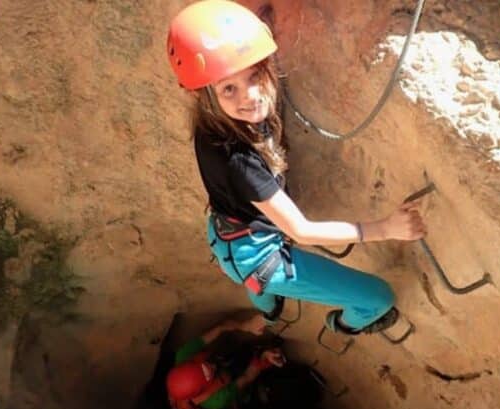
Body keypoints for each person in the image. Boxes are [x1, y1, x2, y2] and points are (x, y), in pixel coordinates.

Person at [166, 1, 426, 336]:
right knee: (377, 298)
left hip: (228, 237)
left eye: (255, 75)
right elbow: (301, 231)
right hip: (258, 258)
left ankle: (269, 310)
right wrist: (386, 228)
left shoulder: (213, 122)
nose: (253, 96)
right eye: (229, 89)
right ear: (207, 96)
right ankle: (342, 325)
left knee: (258, 285)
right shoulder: (239, 162)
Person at [166, 313, 285, 409]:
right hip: (228, 382)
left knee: (227, 357)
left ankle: (229, 356)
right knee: (240, 388)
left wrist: (245, 326)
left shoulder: (184, 355)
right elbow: (247, 376)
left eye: (205, 364)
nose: (212, 366)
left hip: (221, 364)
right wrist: (263, 357)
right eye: (209, 372)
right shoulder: (217, 400)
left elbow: (220, 328)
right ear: (204, 388)